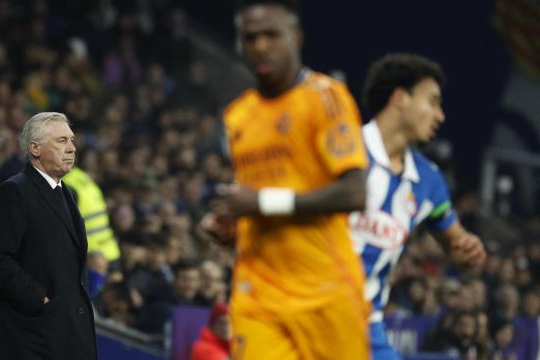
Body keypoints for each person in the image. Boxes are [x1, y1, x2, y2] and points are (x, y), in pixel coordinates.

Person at [205, 0, 370, 358]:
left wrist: (261, 203)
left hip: (325, 291)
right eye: (250, 38)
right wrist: (232, 220)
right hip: (257, 294)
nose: (261, 46)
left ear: (296, 38)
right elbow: (256, 196)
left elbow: (355, 192)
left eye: (271, 35)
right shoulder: (239, 116)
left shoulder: (326, 98)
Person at [350, 53, 486, 359]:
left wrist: (467, 250)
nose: (440, 116)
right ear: (400, 97)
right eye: (432, 102)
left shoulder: (429, 181)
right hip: (307, 312)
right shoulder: (342, 148)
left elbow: (456, 243)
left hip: (365, 328)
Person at [0, 112, 97, 360]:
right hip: (33, 336)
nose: (72, 148)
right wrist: (38, 298)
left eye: (72, 140)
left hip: (68, 333)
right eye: (61, 141)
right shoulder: (15, 191)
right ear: (35, 148)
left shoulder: (69, 194)